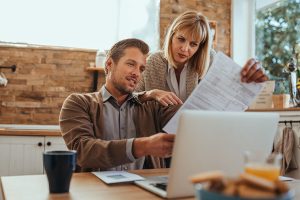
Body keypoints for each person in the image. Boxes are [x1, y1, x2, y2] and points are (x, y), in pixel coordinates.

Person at [59, 38, 179, 172]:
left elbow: (183, 122)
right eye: (131, 64)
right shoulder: (78, 103)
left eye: (141, 68)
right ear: (109, 64)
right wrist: (143, 146)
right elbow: (83, 151)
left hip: (143, 188)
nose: (136, 73)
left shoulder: (152, 106)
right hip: (97, 190)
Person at [136, 10, 268, 106]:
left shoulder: (210, 60)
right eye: (181, 39)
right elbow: (129, 98)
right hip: (157, 135)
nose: (185, 48)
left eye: (193, 44)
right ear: (171, 36)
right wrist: (151, 93)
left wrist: (251, 77)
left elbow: (232, 92)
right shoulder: (153, 61)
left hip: (198, 131)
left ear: (200, 47)